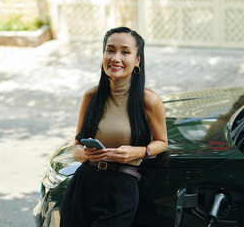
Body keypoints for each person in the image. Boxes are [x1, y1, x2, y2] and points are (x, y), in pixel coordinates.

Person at [60, 27, 168, 227]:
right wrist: (85, 154)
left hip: (121, 187)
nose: (116, 58)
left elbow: (162, 142)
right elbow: (76, 146)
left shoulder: (149, 100)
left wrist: (139, 152)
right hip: (84, 183)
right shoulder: (91, 96)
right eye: (110, 50)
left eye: (125, 52)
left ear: (137, 60)